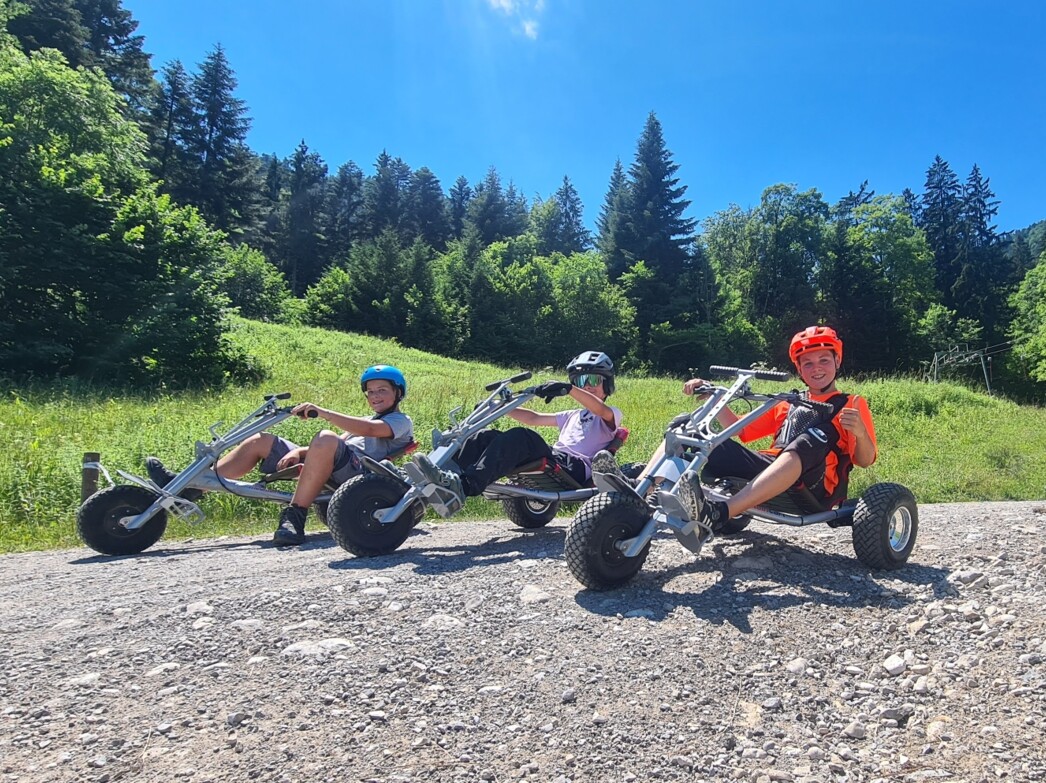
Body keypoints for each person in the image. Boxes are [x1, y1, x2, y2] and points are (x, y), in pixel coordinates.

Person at [599, 326, 876, 535]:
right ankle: (640, 489)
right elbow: (740, 430)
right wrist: (713, 397)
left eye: (824, 360)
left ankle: (721, 512)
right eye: (808, 363)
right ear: (799, 369)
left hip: (814, 490)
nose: (816, 369)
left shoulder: (850, 404)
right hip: (771, 469)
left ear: (837, 362)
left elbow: (864, 460)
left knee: (810, 439)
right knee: (688, 427)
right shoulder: (788, 401)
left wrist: (860, 433)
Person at [145, 365, 414, 546]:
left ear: (397, 393)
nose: (375, 395)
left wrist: (321, 412)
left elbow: (368, 430)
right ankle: (190, 487)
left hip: (361, 477)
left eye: (382, 390)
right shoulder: (362, 419)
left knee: (325, 435)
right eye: (371, 391)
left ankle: (294, 516)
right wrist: (299, 451)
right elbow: (334, 444)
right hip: (336, 464)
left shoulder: (401, 420)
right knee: (260, 441)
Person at [412, 351, 624, 506]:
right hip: (557, 456)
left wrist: (569, 389)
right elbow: (533, 417)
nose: (587, 385)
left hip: (576, 467)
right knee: (484, 436)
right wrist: (499, 407)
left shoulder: (610, 413)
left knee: (523, 437)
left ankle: (464, 486)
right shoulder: (572, 415)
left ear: (607, 384)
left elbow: (600, 409)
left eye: (594, 380)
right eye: (580, 381)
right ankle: (444, 476)